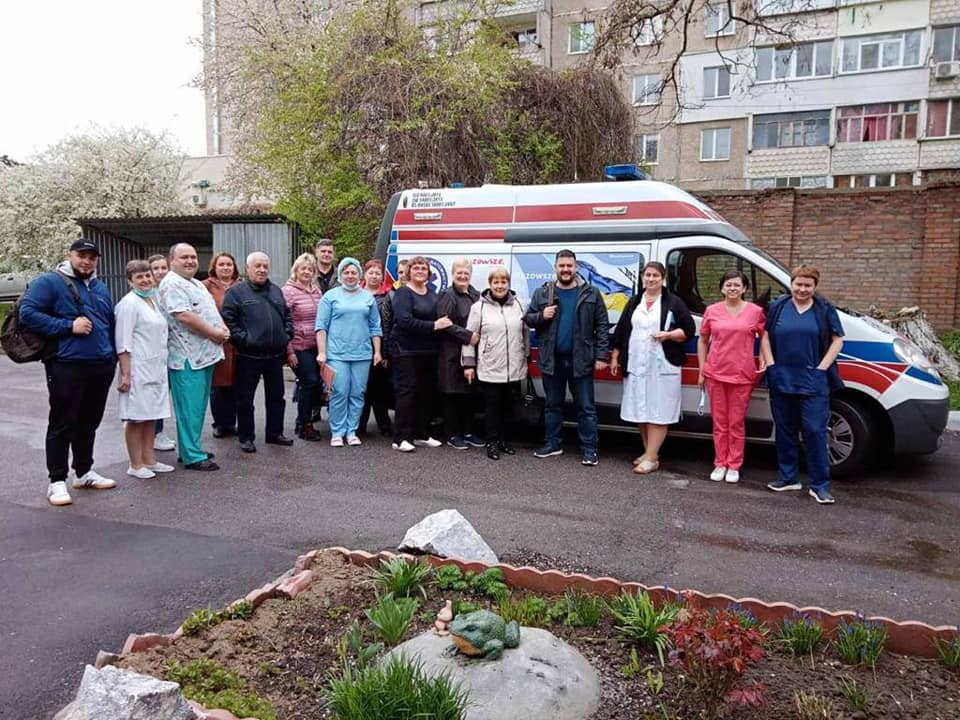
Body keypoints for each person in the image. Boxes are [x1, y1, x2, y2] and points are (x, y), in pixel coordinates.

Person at [19, 238, 118, 506]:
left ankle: (84, 472)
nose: (86, 261)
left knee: (89, 421)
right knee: (63, 421)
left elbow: (108, 323)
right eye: (81, 255)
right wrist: (68, 326)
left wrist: (111, 356)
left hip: (100, 364)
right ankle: (57, 481)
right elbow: (28, 313)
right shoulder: (49, 282)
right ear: (69, 255)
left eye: (92, 257)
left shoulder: (99, 286)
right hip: (67, 363)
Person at [761, 264, 844, 505]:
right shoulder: (778, 307)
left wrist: (822, 369)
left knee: (815, 431)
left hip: (814, 380)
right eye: (798, 284)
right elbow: (764, 336)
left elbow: (837, 340)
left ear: (815, 286)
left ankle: (820, 485)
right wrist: (771, 364)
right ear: (791, 284)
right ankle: (788, 478)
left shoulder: (824, 309)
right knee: (785, 430)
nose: (802, 289)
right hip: (782, 377)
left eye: (808, 285)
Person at [524, 249, 610, 466]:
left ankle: (589, 449)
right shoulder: (543, 293)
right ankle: (553, 444)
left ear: (576, 267)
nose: (565, 269)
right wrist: (541, 315)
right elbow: (528, 319)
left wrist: (601, 356)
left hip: (581, 360)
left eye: (569, 266)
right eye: (561, 266)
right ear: (555, 268)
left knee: (586, 408)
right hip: (552, 360)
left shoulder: (591, 293)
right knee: (552, 406)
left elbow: (602, 325)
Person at [610, 261, 696, 475]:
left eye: (655, 275)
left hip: (663, 365)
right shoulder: (635, 301)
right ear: (642, 278)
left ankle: (651, 457)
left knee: (659, 411)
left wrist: (669, 335)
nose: (651, 279)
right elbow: (622, 331)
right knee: (642, 410)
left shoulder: (673, 302)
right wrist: (615, 356)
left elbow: (688, 330)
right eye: (647, 275)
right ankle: (649, 452)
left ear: (663, 278)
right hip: (637, 364)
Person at [157, 243, 228, 471]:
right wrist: (215, 333)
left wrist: (222, 328)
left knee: (197, 407)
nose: (190, 261)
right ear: (172, 261)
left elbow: (210, 311)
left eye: (193, 257)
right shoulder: (172, 284)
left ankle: (191, 447)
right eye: (184, 257)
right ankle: (192, 455)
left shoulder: (195, 283)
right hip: (187, 357)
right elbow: (184, 316)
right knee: (189, 409)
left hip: (204, 355)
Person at [696, 270, 767, 484]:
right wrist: (702, 368)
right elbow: (703, 340)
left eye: (737, 285)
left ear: (744, 288)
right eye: (728, 285)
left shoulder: (755, 312)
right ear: (722, 288)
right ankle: (720, 463)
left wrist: (764, 360)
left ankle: (734, 465)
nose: (732, 288)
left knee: (736, 422)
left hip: (742, 374)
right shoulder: (712, 311)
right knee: (720, 423)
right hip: (716, 373)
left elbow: (764, 336)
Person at [222, 251, 295, 453]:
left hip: (275, 355)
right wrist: (244, 340)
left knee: (277, 397)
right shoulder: (236, 293)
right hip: (248, 356)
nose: (262, 270)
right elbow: (228, 320)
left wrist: (286, 335)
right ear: (248, 269)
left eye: (265, 266)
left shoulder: (276, 291)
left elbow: (287, 316)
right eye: (257, 266)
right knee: (245, 399)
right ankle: (246, 437)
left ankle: (275, 433)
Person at [115, 260, 175, 479]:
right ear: (130, 281)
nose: (145, 280)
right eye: (139, 277)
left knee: (151, 415)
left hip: (155, 367)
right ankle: (135, 463)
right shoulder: (128, 304)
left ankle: (150, 460)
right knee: (136, 418)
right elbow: (123, 342)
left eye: (147, 275)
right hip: (137, 369)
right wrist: (126, 374)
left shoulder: (152, 300)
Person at [462, 266, 529, 460]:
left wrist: (525, 357)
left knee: (508, 408)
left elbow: (524, 333)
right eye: (496, 282)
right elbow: (469, 338)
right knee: (492, 408)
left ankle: (503, 440)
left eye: (503, 282)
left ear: (508, 284)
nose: (500, 286)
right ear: (490, 284)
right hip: (490, 366)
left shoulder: (518, 304)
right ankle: (491, 442)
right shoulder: (479, 307)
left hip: (513, 367)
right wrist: (468, 365)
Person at [315, 258, 383, 446]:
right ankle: (337, 432)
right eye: (346, 272)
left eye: (354, 272)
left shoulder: (367, 297)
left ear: (359, 275)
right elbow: (321, 326)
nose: (350, 276)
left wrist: (377, 351)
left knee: (358, 393)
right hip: (337, 353)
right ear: (340, 275)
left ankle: (351, 431)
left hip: (362, 354)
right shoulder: (330, 296)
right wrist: (322, 352)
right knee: (339, 392)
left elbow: (375, 326)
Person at [390, 255, 451, 452]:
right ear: (409, 272)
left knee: (426, 393)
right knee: (407, 392)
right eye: (415, 267)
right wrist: (433, 326)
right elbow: (404, 321)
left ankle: (421, 434)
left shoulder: (432, 294)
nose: (419, 271)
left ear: (429, 273)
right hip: (406, 350)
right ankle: (400, 438)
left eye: (423, 268)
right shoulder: (403, 293)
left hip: (428, 350)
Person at [437, 258, 483, 450]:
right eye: (459, 273)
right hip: (452, 353)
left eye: (466, 273)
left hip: (471, 352)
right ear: (453, 274)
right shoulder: (448, 296)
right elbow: (444, 323)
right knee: (452, 395)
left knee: (468, 395)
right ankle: (452, 434)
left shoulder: (476, 295)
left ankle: (468, 432)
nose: (463, 276)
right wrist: (468, 336)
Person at [282, 254, 323, 441]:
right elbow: (284, 322)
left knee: (315, 384)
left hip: (317, 345)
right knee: (309, 381)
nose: (307, 272)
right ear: (296, 271)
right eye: (303, 268)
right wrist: (289, 351)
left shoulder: (316, 291)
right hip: (298, 345)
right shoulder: (288, 291)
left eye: (310, 269)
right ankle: (304, 424)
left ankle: (304, 421)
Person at [202, 252, 240, 438]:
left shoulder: (241, 286)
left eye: (229, 264)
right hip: (216, 341)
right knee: (218, 386)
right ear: (214, 267)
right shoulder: (205, 286)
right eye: (221, 264)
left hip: (237, 343)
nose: (225, 268)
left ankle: (231, 423)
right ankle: (219, 423)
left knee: (235, 385)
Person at [358, 259, 394, 437]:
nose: (374, 276)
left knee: (379, 389)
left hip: (380, 349)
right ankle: (360, 426)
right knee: (362, 388)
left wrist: (385, 353)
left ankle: (384, 425)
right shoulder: (355, 294)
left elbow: (388, 325)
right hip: (358, 348)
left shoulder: (388, 296)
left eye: (377, 273)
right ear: (364, 275)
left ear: (382, 277)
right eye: (370, 272)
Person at [148, 253, 176, 452]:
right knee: (155, 394)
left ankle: (158, 431)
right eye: (155, 268)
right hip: (153, 352)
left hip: (171, 349)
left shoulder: (171, 290)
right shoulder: (147, 295)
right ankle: (154, 433)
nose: (160, 272)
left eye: (163, 268)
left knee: (163, 394)